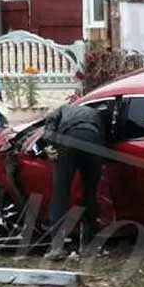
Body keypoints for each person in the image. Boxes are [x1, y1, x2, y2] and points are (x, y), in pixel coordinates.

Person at [42, 104, 107, 261]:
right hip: (93, 140)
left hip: (68, 140)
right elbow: (105, 138)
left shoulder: (59, 109)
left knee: (60, 193)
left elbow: (49, 130)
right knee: (90, 193)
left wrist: (48, 147)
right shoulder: (95, 113)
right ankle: (87, 246)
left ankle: (57, 248)